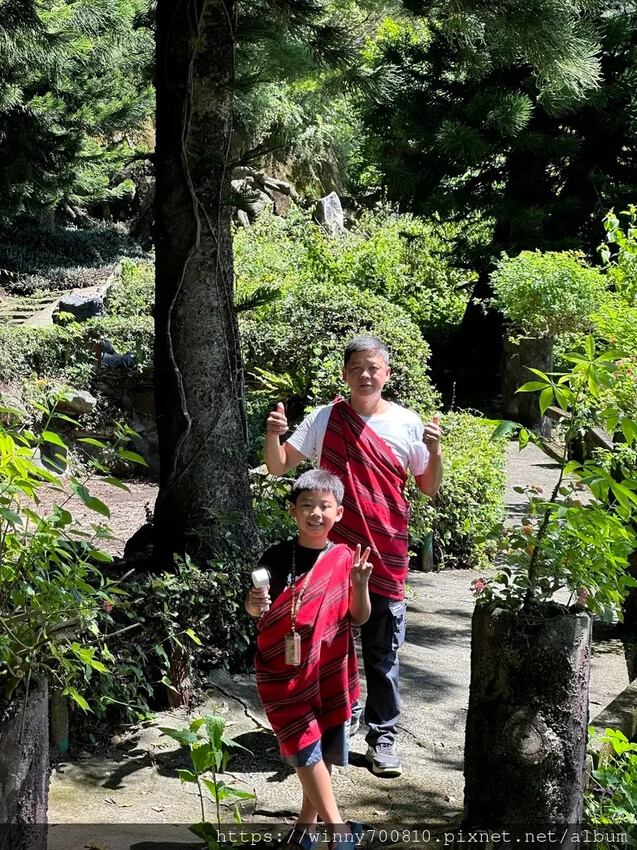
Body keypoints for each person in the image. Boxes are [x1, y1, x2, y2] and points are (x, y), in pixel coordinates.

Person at [264, 335, 443, 777]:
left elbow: (428, 487)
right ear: (345, 374)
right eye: (357, 368)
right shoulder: (326, 418)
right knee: (327, 646)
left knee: (383, 651)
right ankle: (332, 726)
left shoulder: (407, 422)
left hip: (385, 552)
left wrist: (435, 450)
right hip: (332, 555)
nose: (366, 375)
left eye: (374, 367)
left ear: (387, 374)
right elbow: (280, 465)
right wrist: (273, 435)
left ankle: (383, 737)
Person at [246, 469, 372, 850]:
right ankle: (339, 830)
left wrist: (361, 585)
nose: (315, 513)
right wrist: (253, 603)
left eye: (324, 506)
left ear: (339, 513)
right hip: (281, 673)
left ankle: (306, 829)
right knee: (304, 744)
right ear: (293, 511)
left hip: (327, 666)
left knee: (321, 741)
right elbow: (257, 609)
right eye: (306, 505)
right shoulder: (275, 557)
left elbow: (359, 616)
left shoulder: (345, 559)